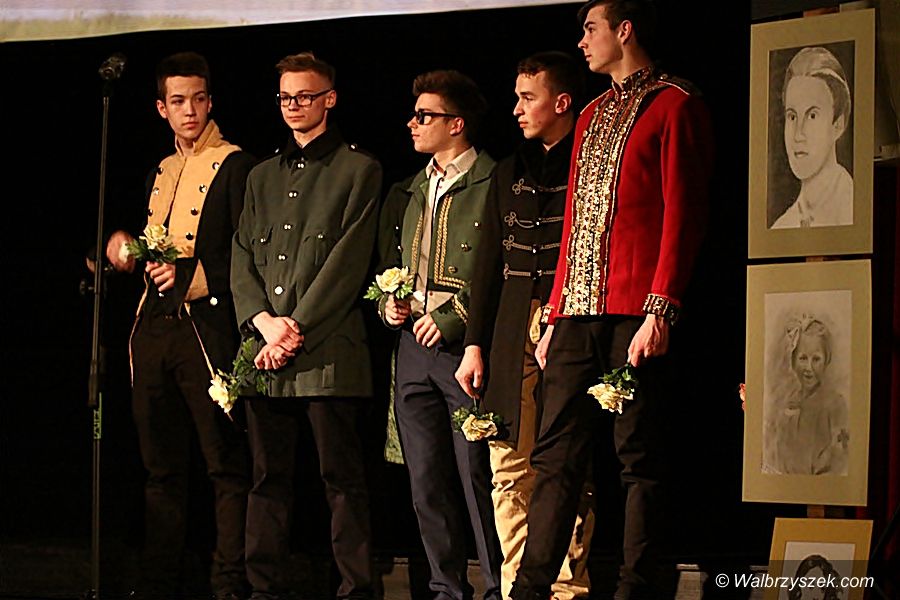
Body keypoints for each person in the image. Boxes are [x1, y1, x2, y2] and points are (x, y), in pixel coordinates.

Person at [508, 2, 714, 599]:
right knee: (554, 456)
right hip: (577, 309)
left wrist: (661, 306)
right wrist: (554, 311)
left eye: (590, 29)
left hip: (634, 308)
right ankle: (530, 588)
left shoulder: (676, 103)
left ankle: (635, 586)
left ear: (625, 31)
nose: (582, 42)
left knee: (637, 456)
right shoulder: (593, 113)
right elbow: (575, 217)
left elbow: (684, 213)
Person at [230, 52, 381, 600]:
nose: (294, 106)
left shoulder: (359, 169)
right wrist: (263, 323)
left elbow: (347, 263)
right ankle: (263, 589)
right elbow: (242, 254)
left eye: (305, 96)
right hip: (266, 352)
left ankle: (356, 590)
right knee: (266, 480)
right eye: (285, 97)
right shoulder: (261, 175)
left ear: (329, 99)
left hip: (327, 353)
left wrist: (293, 328)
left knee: (341, 480)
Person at [103, 51, 253, 599]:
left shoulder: (237, 165)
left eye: (198, 99)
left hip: (204, 327)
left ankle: (228, 583)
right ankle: (159, 580)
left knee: (224, 465)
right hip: (154, 327)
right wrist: (124, 250)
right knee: (159, 469)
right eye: (178, 101)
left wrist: (189, 274)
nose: (190, 110)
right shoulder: (159, 171)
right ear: (161, 108)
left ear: (211, 102)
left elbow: (249, 253)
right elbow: (154, 248)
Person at [454, 52, 594, 600]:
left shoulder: (588, 164)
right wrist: (474, 344)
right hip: (510, 329)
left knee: (563, 464)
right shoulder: (508, 170)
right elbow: (488, 262)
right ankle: (517, 587)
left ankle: (566, 589)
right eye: (516, 97)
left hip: (567, 324)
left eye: (528, 98)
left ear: (562, 102)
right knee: (508, 466)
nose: (516, 109)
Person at [378, 69, 503, 600]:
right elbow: (390, 264)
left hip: (463, 350)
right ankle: (446, 589)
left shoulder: (493, 182)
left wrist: (452, 318)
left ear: (456, 124)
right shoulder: (409, 189)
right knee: (425, 481)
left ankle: (499, 586)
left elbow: (501, 270)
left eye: (424, 115)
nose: (413, 124)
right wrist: (389, 304)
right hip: (412, 348)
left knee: (477, 476)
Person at [771, 46, 853, 229]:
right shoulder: (782, 226)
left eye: (812, 115)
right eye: (792, 116)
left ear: (838, 125)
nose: (798, 134)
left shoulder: (853, 209)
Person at [767, 316, 849, 476]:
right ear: (793, 361)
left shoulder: (835, 404)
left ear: (826, 361)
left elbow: (840, 456)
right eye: (803, 358)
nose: (809, 368)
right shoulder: (788, 401)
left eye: (816, 359)